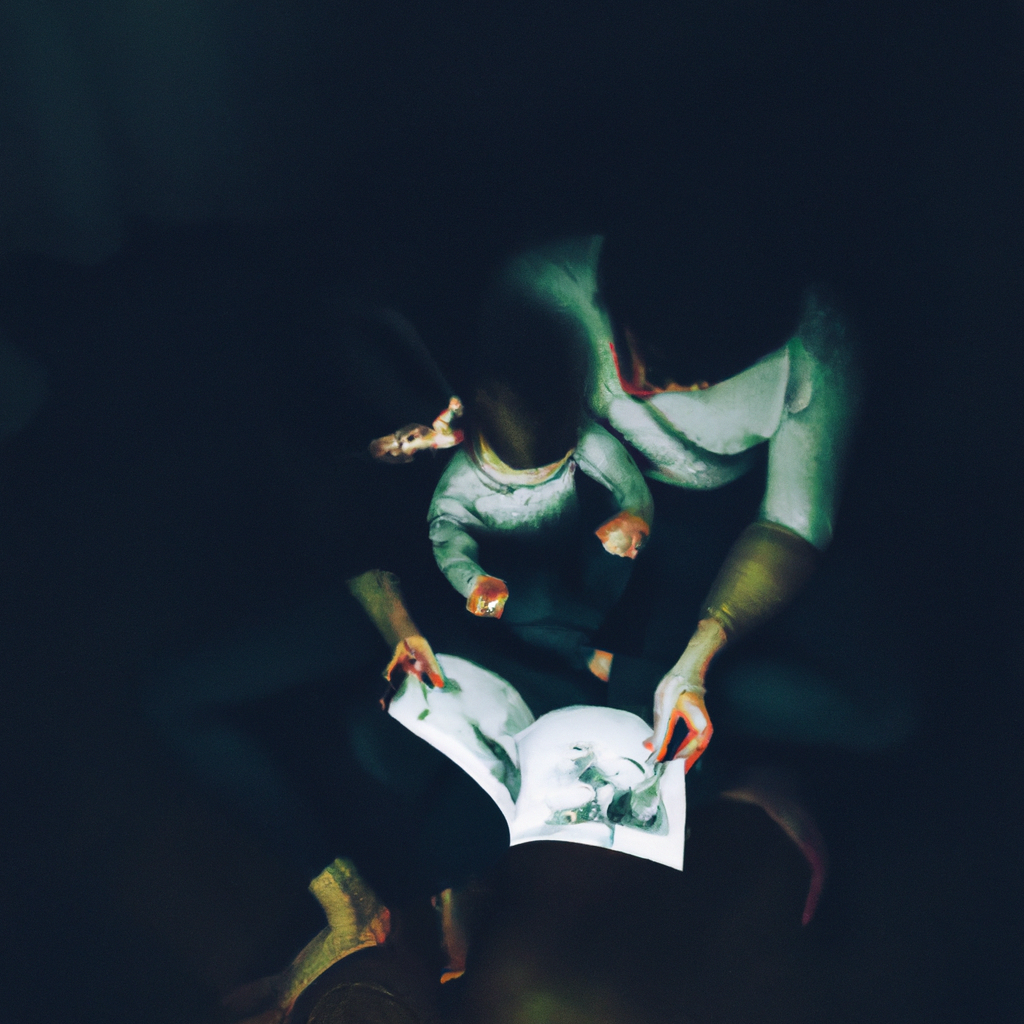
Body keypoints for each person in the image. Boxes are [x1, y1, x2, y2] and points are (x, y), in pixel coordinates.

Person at [484, 228, 861, 770]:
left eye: (688, 381)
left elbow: (792, 523)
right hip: (579, 490)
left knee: (658, 721)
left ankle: (621, 674)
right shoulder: (544, 280)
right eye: (632, 351)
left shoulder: (819, 344)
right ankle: (591, 667)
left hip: (710, 520)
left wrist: (698, 658)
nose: (637, 386)